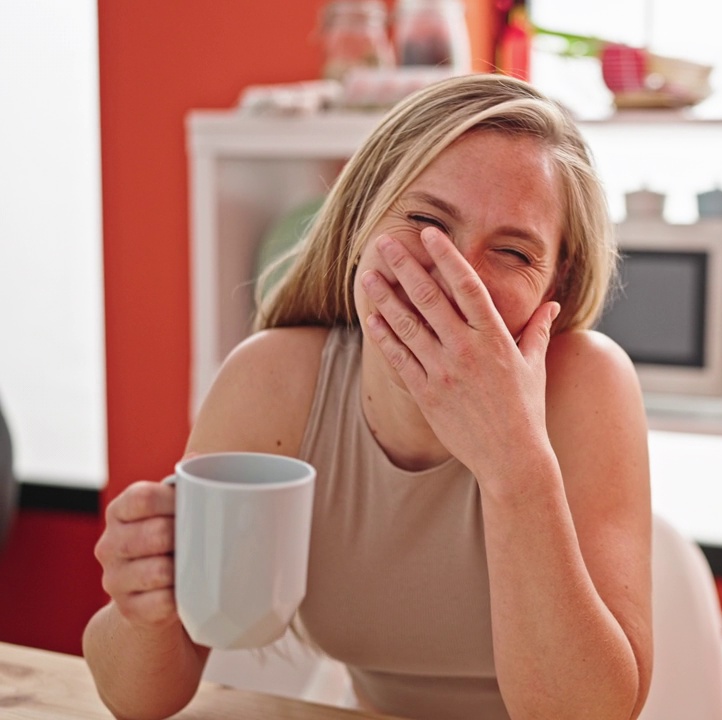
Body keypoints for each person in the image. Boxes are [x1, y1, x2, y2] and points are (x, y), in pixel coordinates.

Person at [83, 74, 654, 720]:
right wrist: (142, 604)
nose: (454, 274)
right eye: (426, 221)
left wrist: (514, 464)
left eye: (513, 251)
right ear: (362, 219)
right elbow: (140, 698)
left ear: (558, 280)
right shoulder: (272, 380)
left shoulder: (590, 385)